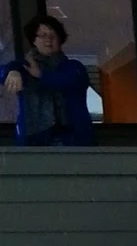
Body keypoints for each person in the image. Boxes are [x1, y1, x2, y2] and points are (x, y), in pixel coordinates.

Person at [2, 13, 95, 146]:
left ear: (60, 39)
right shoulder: (25, 67)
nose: (48, 40)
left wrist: (41, 75)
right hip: (33, 143)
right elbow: (3, 71)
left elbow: (67, 81)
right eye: (43, 35)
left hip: (73, 141)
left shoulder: (74, 67)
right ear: (34, 40)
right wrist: (12, 71)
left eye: (53, 35)